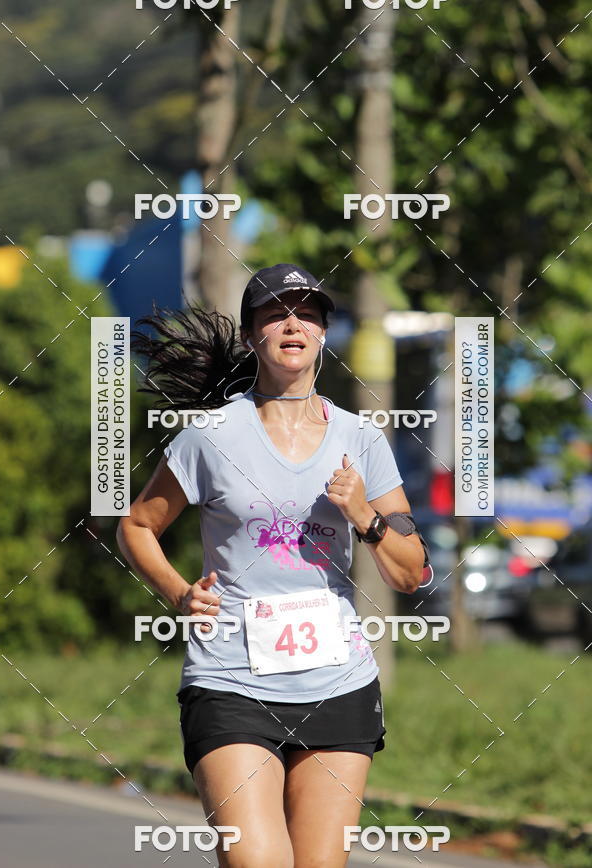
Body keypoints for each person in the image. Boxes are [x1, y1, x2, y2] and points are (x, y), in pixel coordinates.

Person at [116, 263, 426, 868]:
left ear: (323, 333)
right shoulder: (208, 436)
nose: (293, 323)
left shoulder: (361, 438)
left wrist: (365, 514)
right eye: (276, 313)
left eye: (307, 313)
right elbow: (137, 526)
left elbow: (410, 573)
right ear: (253, 332)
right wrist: (180, 593)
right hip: (230, 677)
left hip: (336, 681)